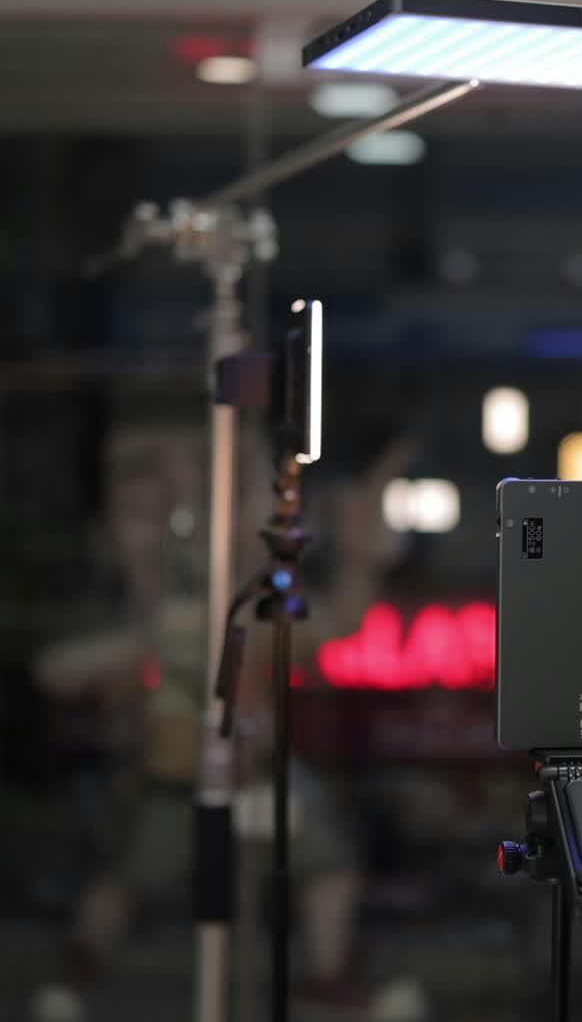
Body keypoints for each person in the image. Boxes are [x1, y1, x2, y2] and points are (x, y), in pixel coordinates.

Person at [30, 411, 424, 1022]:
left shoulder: (251, 596)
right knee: (131, 874)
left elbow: (329, 627)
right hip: (179, 777)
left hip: (256, 773)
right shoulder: (162, 598)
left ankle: (326, 977)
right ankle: (75, 978)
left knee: (325, 858)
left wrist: (360, 551)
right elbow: (69, 666)